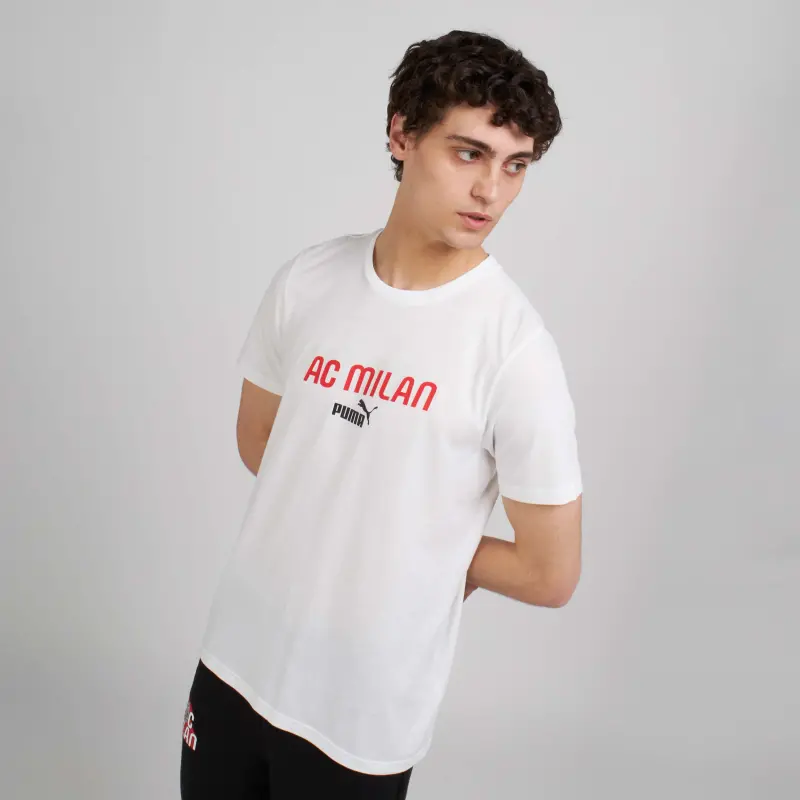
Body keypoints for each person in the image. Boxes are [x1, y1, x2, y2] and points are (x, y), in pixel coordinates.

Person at [180, 28, 583, 799]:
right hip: (236, 658)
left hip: (358, 712)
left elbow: (550, 572)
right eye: (469, 153)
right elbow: (259, 441)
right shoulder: (309, 279)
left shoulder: (515, 350)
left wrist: (424, 545)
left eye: (515, 165)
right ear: (402, 134)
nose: (491, 191)